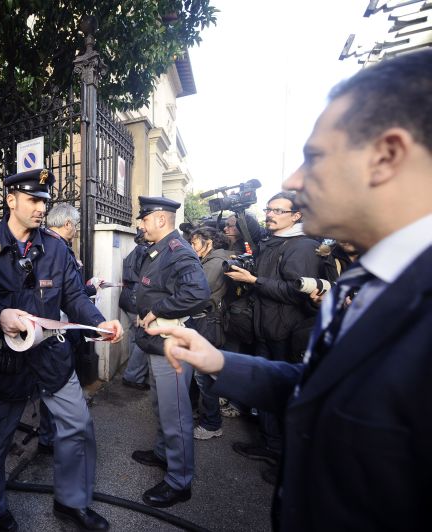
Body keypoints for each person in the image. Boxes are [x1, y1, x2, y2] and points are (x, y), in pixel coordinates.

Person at [148, 48, 432, 531]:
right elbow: (314, 389)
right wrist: (219, 362)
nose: (293, 181)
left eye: (315, 157)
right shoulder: (364, 282)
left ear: (386, 156)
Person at [0, 168, 122, 532]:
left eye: (44, 202)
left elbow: (75, 296)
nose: (40, 208)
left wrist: (98, 322)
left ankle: (73, 502)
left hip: (51, 358)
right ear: (11, 200)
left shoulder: (55, 246)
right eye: (33, 200)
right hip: (5, 362)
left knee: (78, 427)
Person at [224, 191, 322, 482]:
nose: (270, 214)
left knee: (285, 395)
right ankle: (270, 444)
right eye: (268, 209)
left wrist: (253, 281)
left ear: (296, 216)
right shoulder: (272, 241)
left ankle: (287, 461)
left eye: (278, 211)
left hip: (284, 332)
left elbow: (296, 291)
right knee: (267, 390)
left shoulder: (302, 247)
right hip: (264, 328)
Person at [131, 196, 210, 508]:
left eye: (145, 219)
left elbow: (198, 293)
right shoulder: (161, 249)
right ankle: (163, 454)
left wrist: (157, 309)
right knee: (161, 406)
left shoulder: (178, 252)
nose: (141, 224)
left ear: (161, 219)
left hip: (171, 346)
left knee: (175, 414)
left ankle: (180, 481)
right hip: (156, 342)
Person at [36, 202, 95, 455]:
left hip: (47, 328)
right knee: (57, 382)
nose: (76, 230)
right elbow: (69, 295)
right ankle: (51, 437)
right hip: (58, 329)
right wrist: (89, 291)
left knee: (49, 385)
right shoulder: (58, 247)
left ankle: (47, 436)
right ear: (68, 224)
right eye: (76, 225)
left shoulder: (44, 243)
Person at [187, 226, 230, 440]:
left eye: (195, 243)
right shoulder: (211, 260)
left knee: (204, 377)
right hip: (206, 322)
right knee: (200, 375)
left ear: (209, 242)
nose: (192, 247)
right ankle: (203, 415)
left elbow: (195, 292)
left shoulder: (214, 263)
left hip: (208, 323)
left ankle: (212, 424)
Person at [119, 230, 151, 390]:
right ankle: (133, 376)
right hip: (135, 298)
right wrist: (141, 309)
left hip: (127, 297)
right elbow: (142, 281)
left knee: (135, 335)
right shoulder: (145, 252)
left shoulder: (135, 251)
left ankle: (134, 371)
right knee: (143, 338)